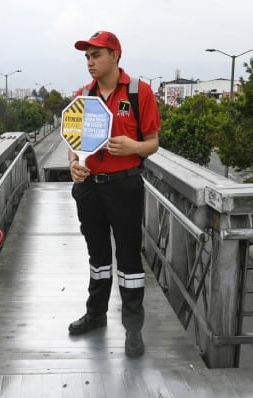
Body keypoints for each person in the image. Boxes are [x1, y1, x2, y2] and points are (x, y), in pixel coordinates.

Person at [66, 30, 161, 358]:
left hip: (124, 185)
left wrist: (134, 147)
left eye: (96, 56)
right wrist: (74, 166)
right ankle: (96, 314)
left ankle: (133, 328)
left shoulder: (138, 92)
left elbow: (153, 142)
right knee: (98, 258)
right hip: (90, 187)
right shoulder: (83, 96)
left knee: (130, 258)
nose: (90, 62)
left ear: (115, 56)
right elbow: (73, 144)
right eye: (87, 57)